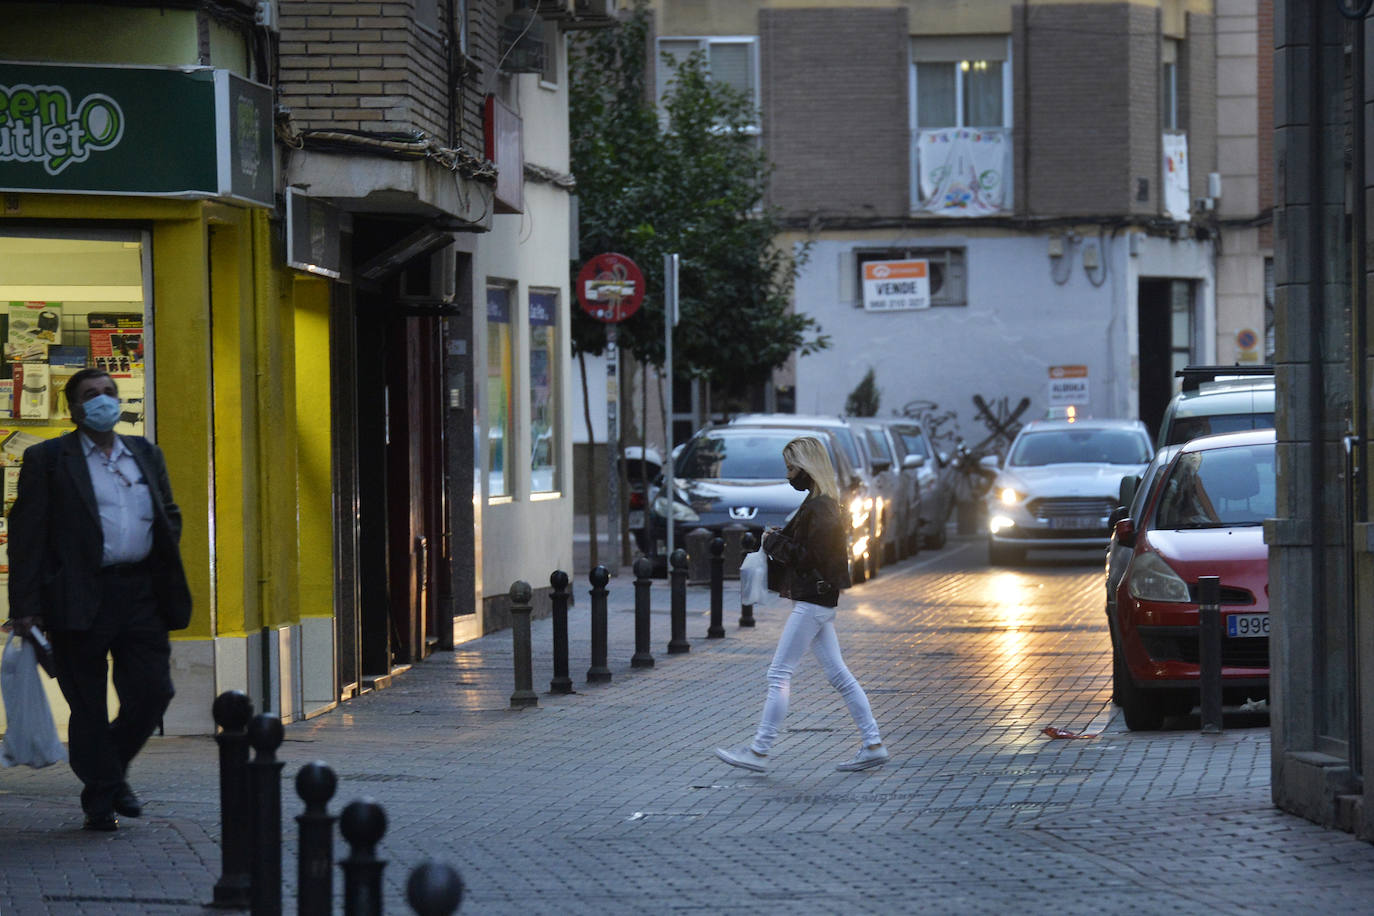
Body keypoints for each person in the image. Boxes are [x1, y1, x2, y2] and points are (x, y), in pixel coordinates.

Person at [5, 368, 191, 831]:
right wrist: (26, 606)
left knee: (152, 693)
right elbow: (27, 536)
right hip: (76, 595)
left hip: (141, 593)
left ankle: (105, 778)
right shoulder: (48, 458)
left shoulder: (144, 452)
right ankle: (103, 796)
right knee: (87, 704)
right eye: (92, 395)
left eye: (110, 392)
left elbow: (168, 511)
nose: (104, 401)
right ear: (74, 409)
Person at [714, 435, 888, 773]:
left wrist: (773, 542)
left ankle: (759, 751)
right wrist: (783, 537)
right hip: (818, 601)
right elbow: (811, 548)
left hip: (813, 601)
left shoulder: (821, 506)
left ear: (807, 467)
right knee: (839, 675)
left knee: (778, 673)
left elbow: (811, 557)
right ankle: (873, 744)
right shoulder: (820, 502)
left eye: (792, 467)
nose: (788, 474)